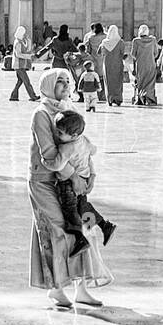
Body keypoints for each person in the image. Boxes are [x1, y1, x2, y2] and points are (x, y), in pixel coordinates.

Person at [28, 69, 112, 309]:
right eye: (59, 82)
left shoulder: (69, 110)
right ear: (48, 86)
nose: (65, 85)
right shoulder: (41, 115)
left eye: (67, 81)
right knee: (55, 230)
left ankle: (81, 288)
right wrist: (75, 177)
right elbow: (48, 155)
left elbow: (81, 146)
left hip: (69, 183)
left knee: (80, 230)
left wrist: (90, 175)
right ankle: (55, 288)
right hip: (44, 181)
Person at [52, 110, 117, 258]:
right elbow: (93, 151)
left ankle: (80, 238)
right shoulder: (84, 140)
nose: (57, 135)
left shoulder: (66, 147)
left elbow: (57, 165)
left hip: (69, 182)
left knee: (69, 209)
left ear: (73, 136)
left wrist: (46, 162)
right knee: (83, 207)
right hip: (85, 177)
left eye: (60, 133)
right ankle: (105, 226)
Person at [8, 25, 40, 101]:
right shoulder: (18, 42)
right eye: (23, 33)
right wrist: (29, 56)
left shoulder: (21, 41)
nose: (24, 34)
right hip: (18, 65)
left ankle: (13, 96)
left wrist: (28, 41)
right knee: (27, 81)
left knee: (20, 81)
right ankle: (33, 96)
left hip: (20, 64)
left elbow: (27, 49)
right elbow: (18, 54)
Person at [130, 24, 158, 105]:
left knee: (141, 81)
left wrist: (140, 57)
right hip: (150, 64)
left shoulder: (136, 41)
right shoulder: (153, 40)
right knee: (150, 81)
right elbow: (156, 53)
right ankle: (149, 98)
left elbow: (133, 54)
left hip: (140, 64)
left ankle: (140, 97)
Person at [98, 25, 127, 106]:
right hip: (118, 64)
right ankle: (118, 99)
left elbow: (99, 52)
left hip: (107, 65)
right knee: (118, 82)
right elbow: (122, 53)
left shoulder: (104, 42)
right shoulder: (120, 42)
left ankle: (110, 99)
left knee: (108, 82)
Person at [86, 22, 108, 101]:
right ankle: (104, 95)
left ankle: (99, 95)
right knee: (104, 79)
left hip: (95, 61)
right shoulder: (106, 37)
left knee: (97, 79)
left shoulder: (91, 38)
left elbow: (88, 50)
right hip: (104, 60)